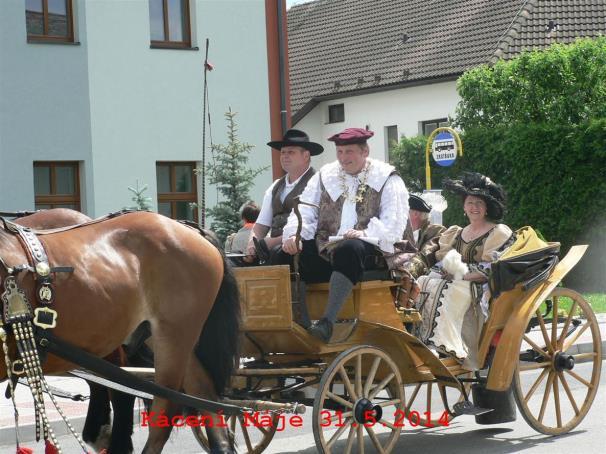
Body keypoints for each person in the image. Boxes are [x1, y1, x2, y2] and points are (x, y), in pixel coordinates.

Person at [281, 127, 408, 341]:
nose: (343, 158)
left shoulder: (386, 178)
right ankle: (301, 324)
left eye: (349, 152)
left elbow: (393, 226)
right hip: (329, 248)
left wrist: (363, 234)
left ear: (365, 151)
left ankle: (327, 323)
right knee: (285, 254)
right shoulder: (325, 176)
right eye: (339, 152)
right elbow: (305, 209)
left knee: (349, 248)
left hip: (374, 251)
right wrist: (295, 235)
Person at [414, 172, 513, 368]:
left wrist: (460, 274)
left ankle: (448, 346)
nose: (474, 207)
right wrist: (437, 273)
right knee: (424, 283)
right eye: (470, 203)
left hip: (479, 287)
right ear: (464, 206)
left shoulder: (498, 232)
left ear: (487, 208)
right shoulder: (457, 233)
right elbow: (443, 263)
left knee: (449, 288)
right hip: (456, 280)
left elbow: (490, 270)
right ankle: (422, 340)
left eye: (479, 203)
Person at [244, 129, 323, 264]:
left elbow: (316, 226)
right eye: (283, 152)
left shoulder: (318, 184)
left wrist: (271, 243)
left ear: (306, 155)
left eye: (291, 152)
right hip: (273, 249)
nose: (285, 156)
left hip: (303, 248)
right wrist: (252, 244)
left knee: (278, 254)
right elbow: (261, 225)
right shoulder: (275, 186)